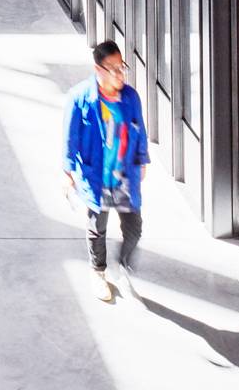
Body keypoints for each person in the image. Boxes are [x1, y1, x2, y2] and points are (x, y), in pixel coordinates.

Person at [63, 39, 150, 304]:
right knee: (97, 227)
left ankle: (123, 266)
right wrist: (68, 173)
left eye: (122, 67)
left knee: (134, 228)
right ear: (98, 70)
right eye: (113, 68)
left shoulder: (130, 97)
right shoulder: (80, 98)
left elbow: (139, 129)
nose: (120, 73)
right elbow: (70, 138)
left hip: (125, 175)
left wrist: (142, 160)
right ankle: (98, 272)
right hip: (96, 175)